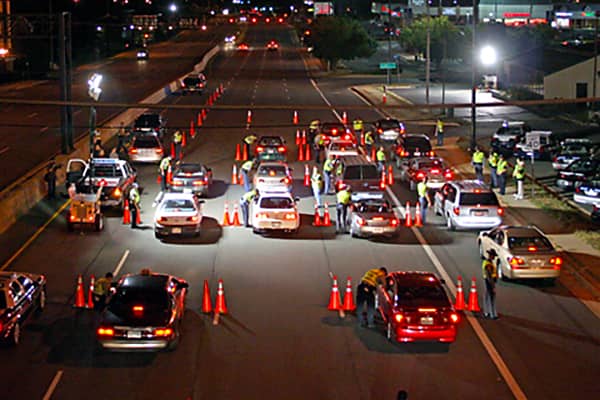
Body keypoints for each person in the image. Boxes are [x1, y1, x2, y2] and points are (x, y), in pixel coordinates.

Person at [482, 249, 498, 319]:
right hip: (489, 282)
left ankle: (487, 312)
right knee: (491, 298)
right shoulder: (488, 265)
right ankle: (492, 314)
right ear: (491, 256)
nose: (494, 257)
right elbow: (489, 277)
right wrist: (493, 286)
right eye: (493, 256)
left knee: (487, 296)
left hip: (487, 282)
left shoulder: (487, 262)